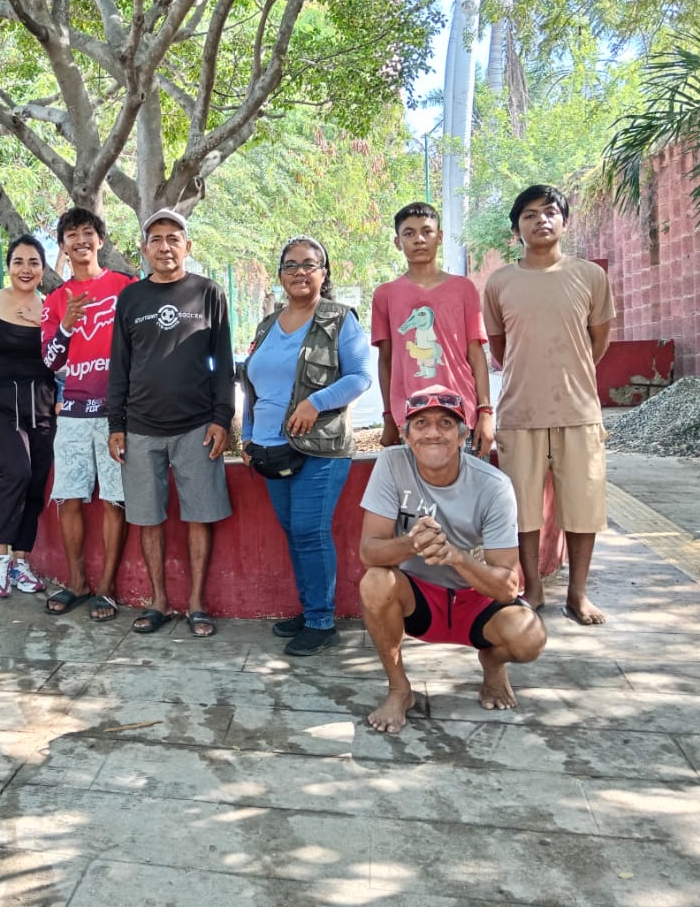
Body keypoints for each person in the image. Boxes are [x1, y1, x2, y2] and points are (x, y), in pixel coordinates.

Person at [359, 385, 547, 734]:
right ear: (406, 434)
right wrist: (412, 544)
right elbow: (369, 550)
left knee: (529, 636)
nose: (432, 433)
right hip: (418, 598)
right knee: (375, 581)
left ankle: (492, 662)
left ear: (463, 436)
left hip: (477, 599)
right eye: (421, 424)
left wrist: (457, 557)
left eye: (446, 423)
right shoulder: (392, 463)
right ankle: (400, 690)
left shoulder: (493, 485)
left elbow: (508, 588)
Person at [482, 184, 615, 624]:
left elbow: (597, 342)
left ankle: (578, 594)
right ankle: (533, 588)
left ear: (564, 221)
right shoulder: (500, 282)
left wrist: (568, 374)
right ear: (516, 229)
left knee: (583, 506)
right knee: (522, 507)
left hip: (579, 411)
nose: (541, 220)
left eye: (550, 212)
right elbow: (500, 347)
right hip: (520, 412)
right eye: (529, 215)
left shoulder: (590, 276)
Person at [242, 236, 372, 655]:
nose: (300, 271)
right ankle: (311, 608)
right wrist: (246, 434)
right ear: (280, 274)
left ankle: (321, 620)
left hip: (321, 446)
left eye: (310, 265)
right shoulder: (267, 324)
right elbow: (251, 384)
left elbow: (359, 377)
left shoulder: (339, 319)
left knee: (309, 531)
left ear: (324, 272)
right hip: (270, 447)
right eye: (291, 265)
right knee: (293, 532)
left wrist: (315, 403)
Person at [108, 208, 234, 637]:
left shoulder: (208, 293)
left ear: (188, 246)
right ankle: (159, 601)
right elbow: (119, 365)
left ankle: (197, 603)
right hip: (141, 428)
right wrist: (116, 424)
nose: (165, 246)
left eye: (173, 238)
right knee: (147, 518)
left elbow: (224, 364)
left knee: (199, 515)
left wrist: (222, 417)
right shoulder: (131, 298)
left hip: (198, 426)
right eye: (156, 239)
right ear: (144, 249)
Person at [40, 208, 135, 622]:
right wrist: (66, 326)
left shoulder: (125, 288)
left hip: (118, 414)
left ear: (100, 240)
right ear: (62, 246)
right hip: (74, 413)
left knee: (115, 499)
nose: (80, 240)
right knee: (70, 497)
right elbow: (48, 359)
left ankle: (107, 589)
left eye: (87, 232)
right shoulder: (56, 300)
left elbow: (140, 347)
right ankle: (78, 583)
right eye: (71, 234)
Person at [0, 235, 56, 597]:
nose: (26, 269)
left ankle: (20, 560)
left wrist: (44, 323)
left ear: (42, 269)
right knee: (16, 472)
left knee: (36, 481)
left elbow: (63, 358)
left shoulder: (50, 307)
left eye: (33, 262)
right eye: (19, 261)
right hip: (1, 404)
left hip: (43, 404)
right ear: (9, 265)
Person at [373, 202, 494, 454]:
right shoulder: (385, 295)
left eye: (426, 231)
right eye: (409, 233)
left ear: (439, 237)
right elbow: (386, 360)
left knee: (469, 489)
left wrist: (485, 411)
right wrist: (388, 417)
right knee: (417, 492)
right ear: (397, 242)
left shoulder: (464, 289)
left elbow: (476, 354)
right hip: (409, 416)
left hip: (462, 413)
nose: (418, 239)